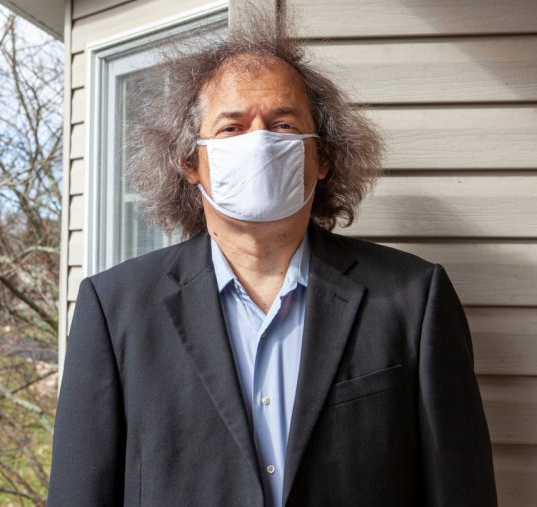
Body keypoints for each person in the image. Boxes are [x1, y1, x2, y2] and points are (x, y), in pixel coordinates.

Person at [48, 17, 497, 507]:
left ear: (322, 157)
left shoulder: (412, 299)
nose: (258, 142)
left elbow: (460, 488)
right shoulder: (115, 310)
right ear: (190, 162)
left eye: (283, 125)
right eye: (232, 127)